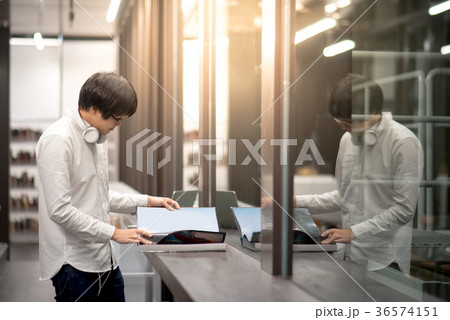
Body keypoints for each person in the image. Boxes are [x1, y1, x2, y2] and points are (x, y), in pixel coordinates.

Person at [36, 72, 180, 302]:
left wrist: (149, 201)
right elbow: (59, 210)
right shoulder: (58, 140)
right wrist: (115, 233)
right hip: (74, 265)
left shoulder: (96, 137)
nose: (118, 124)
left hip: (105, 259)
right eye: (116, 118)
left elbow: (100, 195)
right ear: (93, 108)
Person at [294, 74, 423, 274]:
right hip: (348, 255)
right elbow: (345, 196)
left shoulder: (403, 142)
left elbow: (404, 210)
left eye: (349, 122)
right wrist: (296, 201)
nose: (345, 128)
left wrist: (353, 232)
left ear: (372, 111)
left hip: (384, 260)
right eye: (340, 122)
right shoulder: (347, 140)